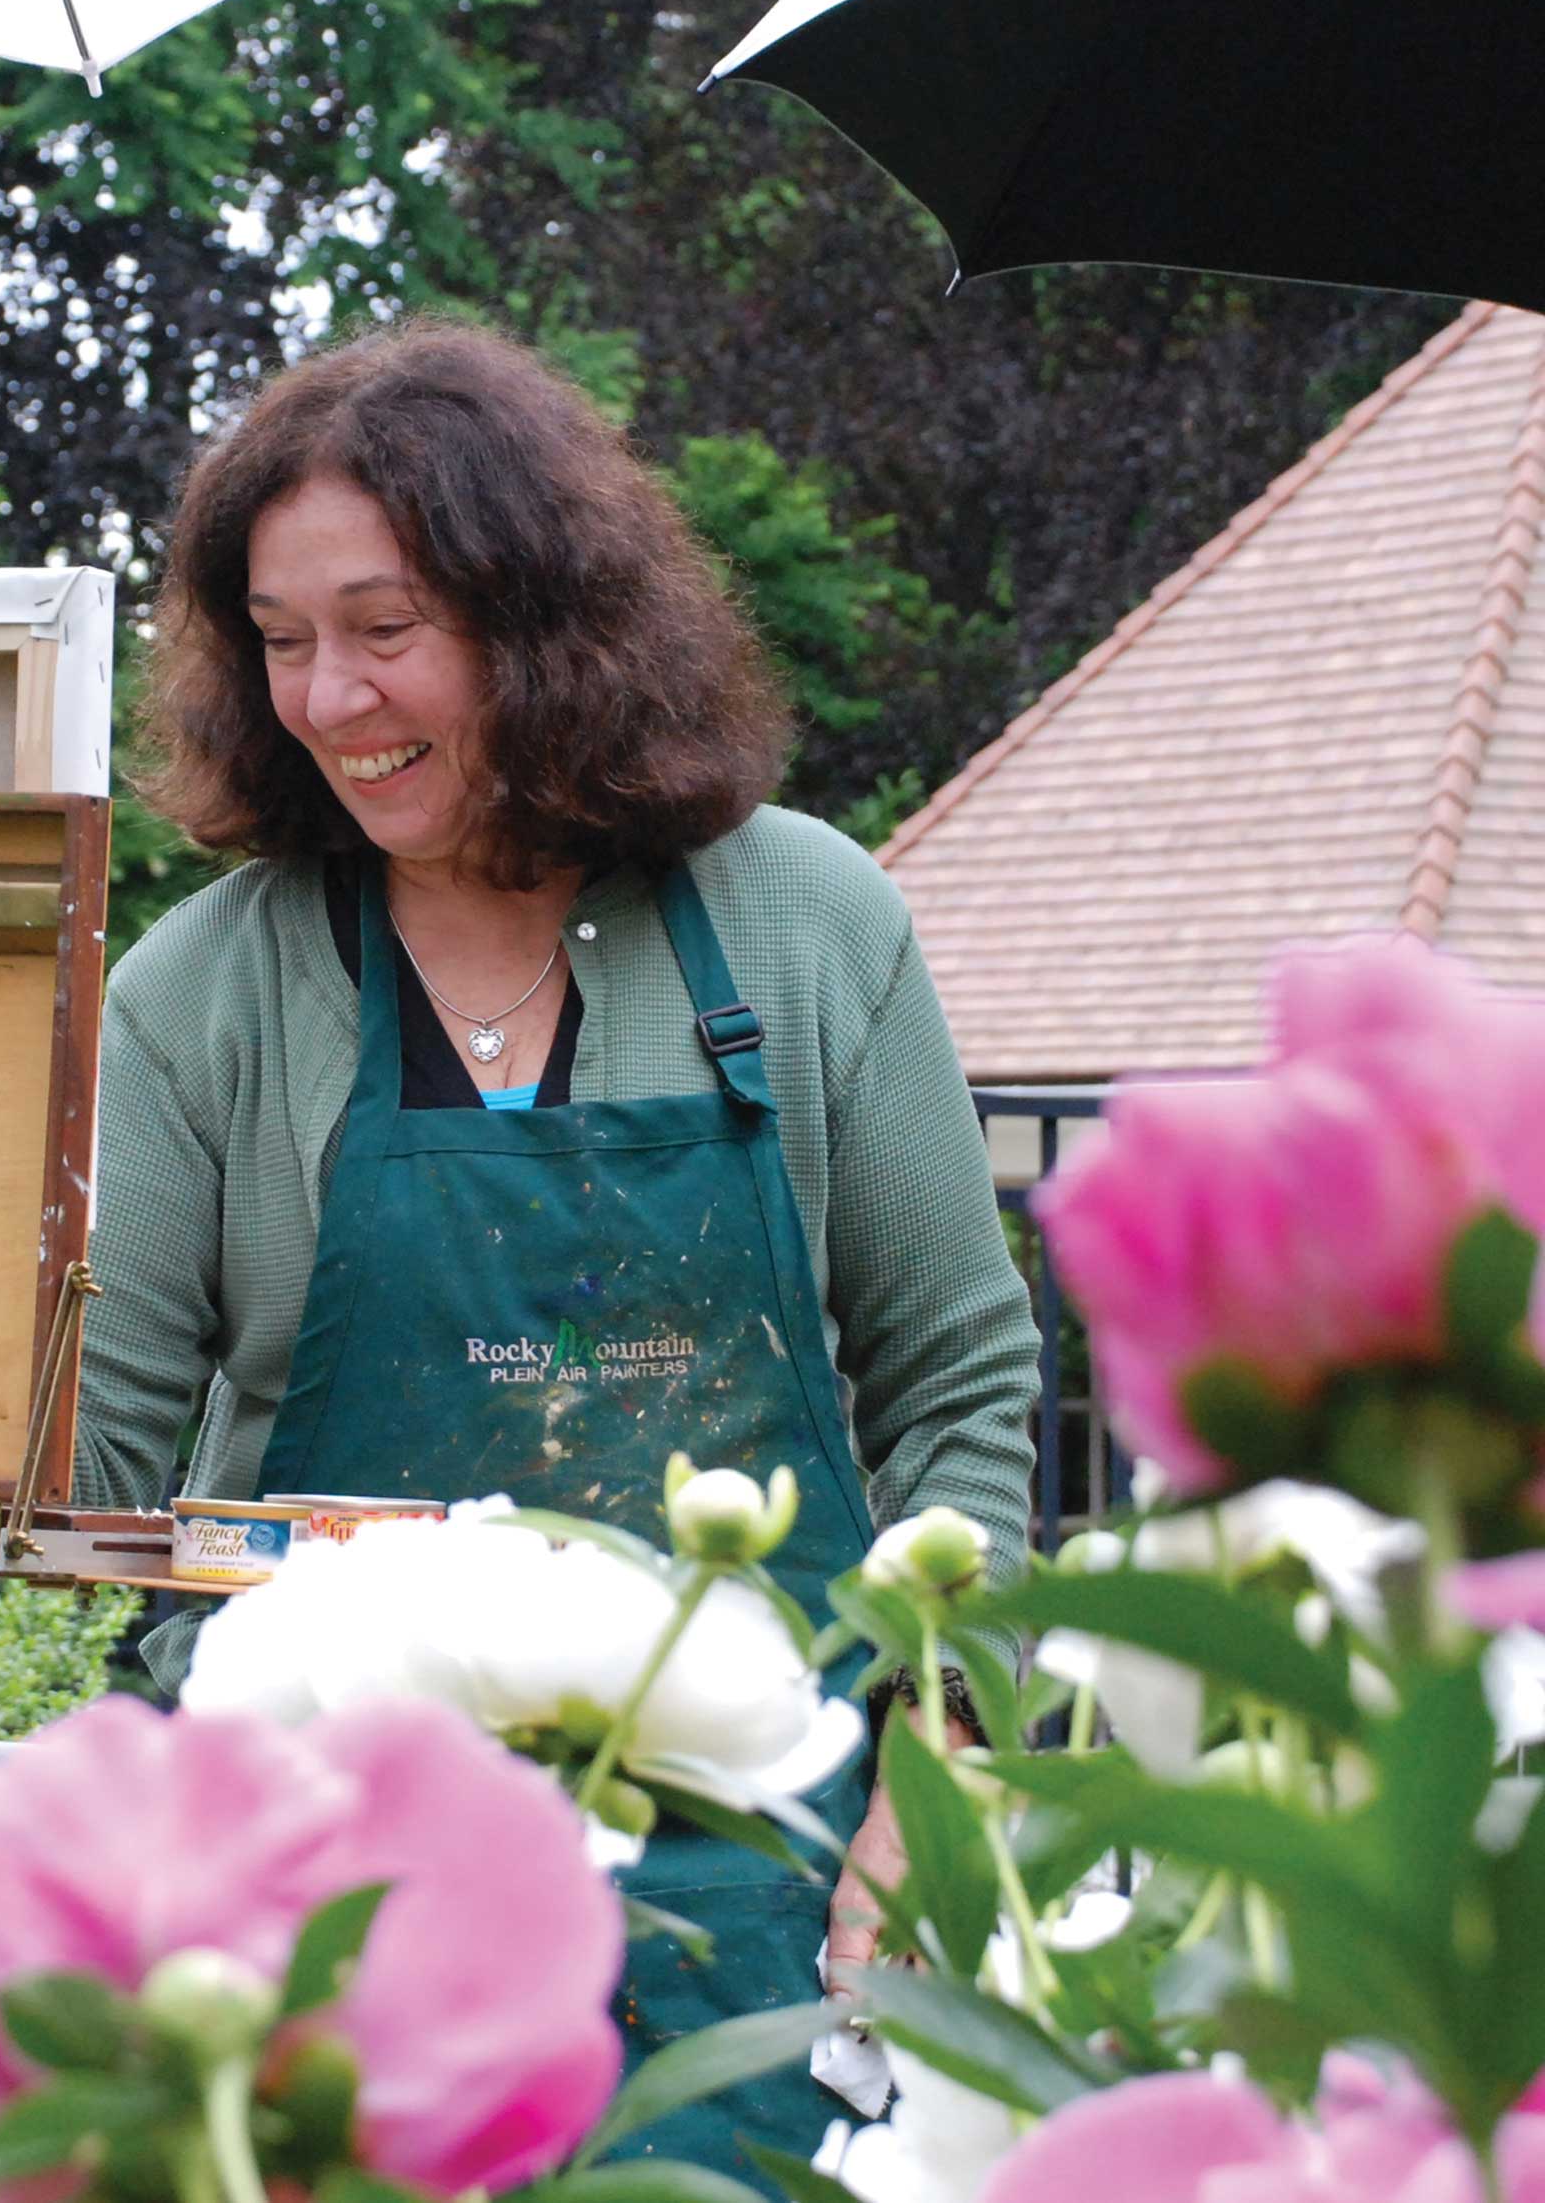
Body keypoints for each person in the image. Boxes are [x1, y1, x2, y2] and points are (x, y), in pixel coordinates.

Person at [75, 318, 1037, 2182]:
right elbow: (98, 1466)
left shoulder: (812, 921)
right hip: (321, 1870)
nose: (331, 697)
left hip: (773, 1851)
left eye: (386, 626)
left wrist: (946, 1746)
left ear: (549, 623)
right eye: (280, 642)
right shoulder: (201, 991)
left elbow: (963, 1377)